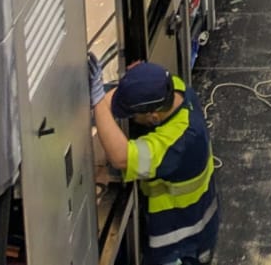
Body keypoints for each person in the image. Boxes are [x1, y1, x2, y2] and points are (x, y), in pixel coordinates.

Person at [91, 59, 220, 264]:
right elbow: (127, 92)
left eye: (133, 116)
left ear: (153, 117)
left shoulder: (178, 142)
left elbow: (121, 157)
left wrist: (97, 100)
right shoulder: (174, 88)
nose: (131, 119)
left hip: (179, 242)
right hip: (191, 224)